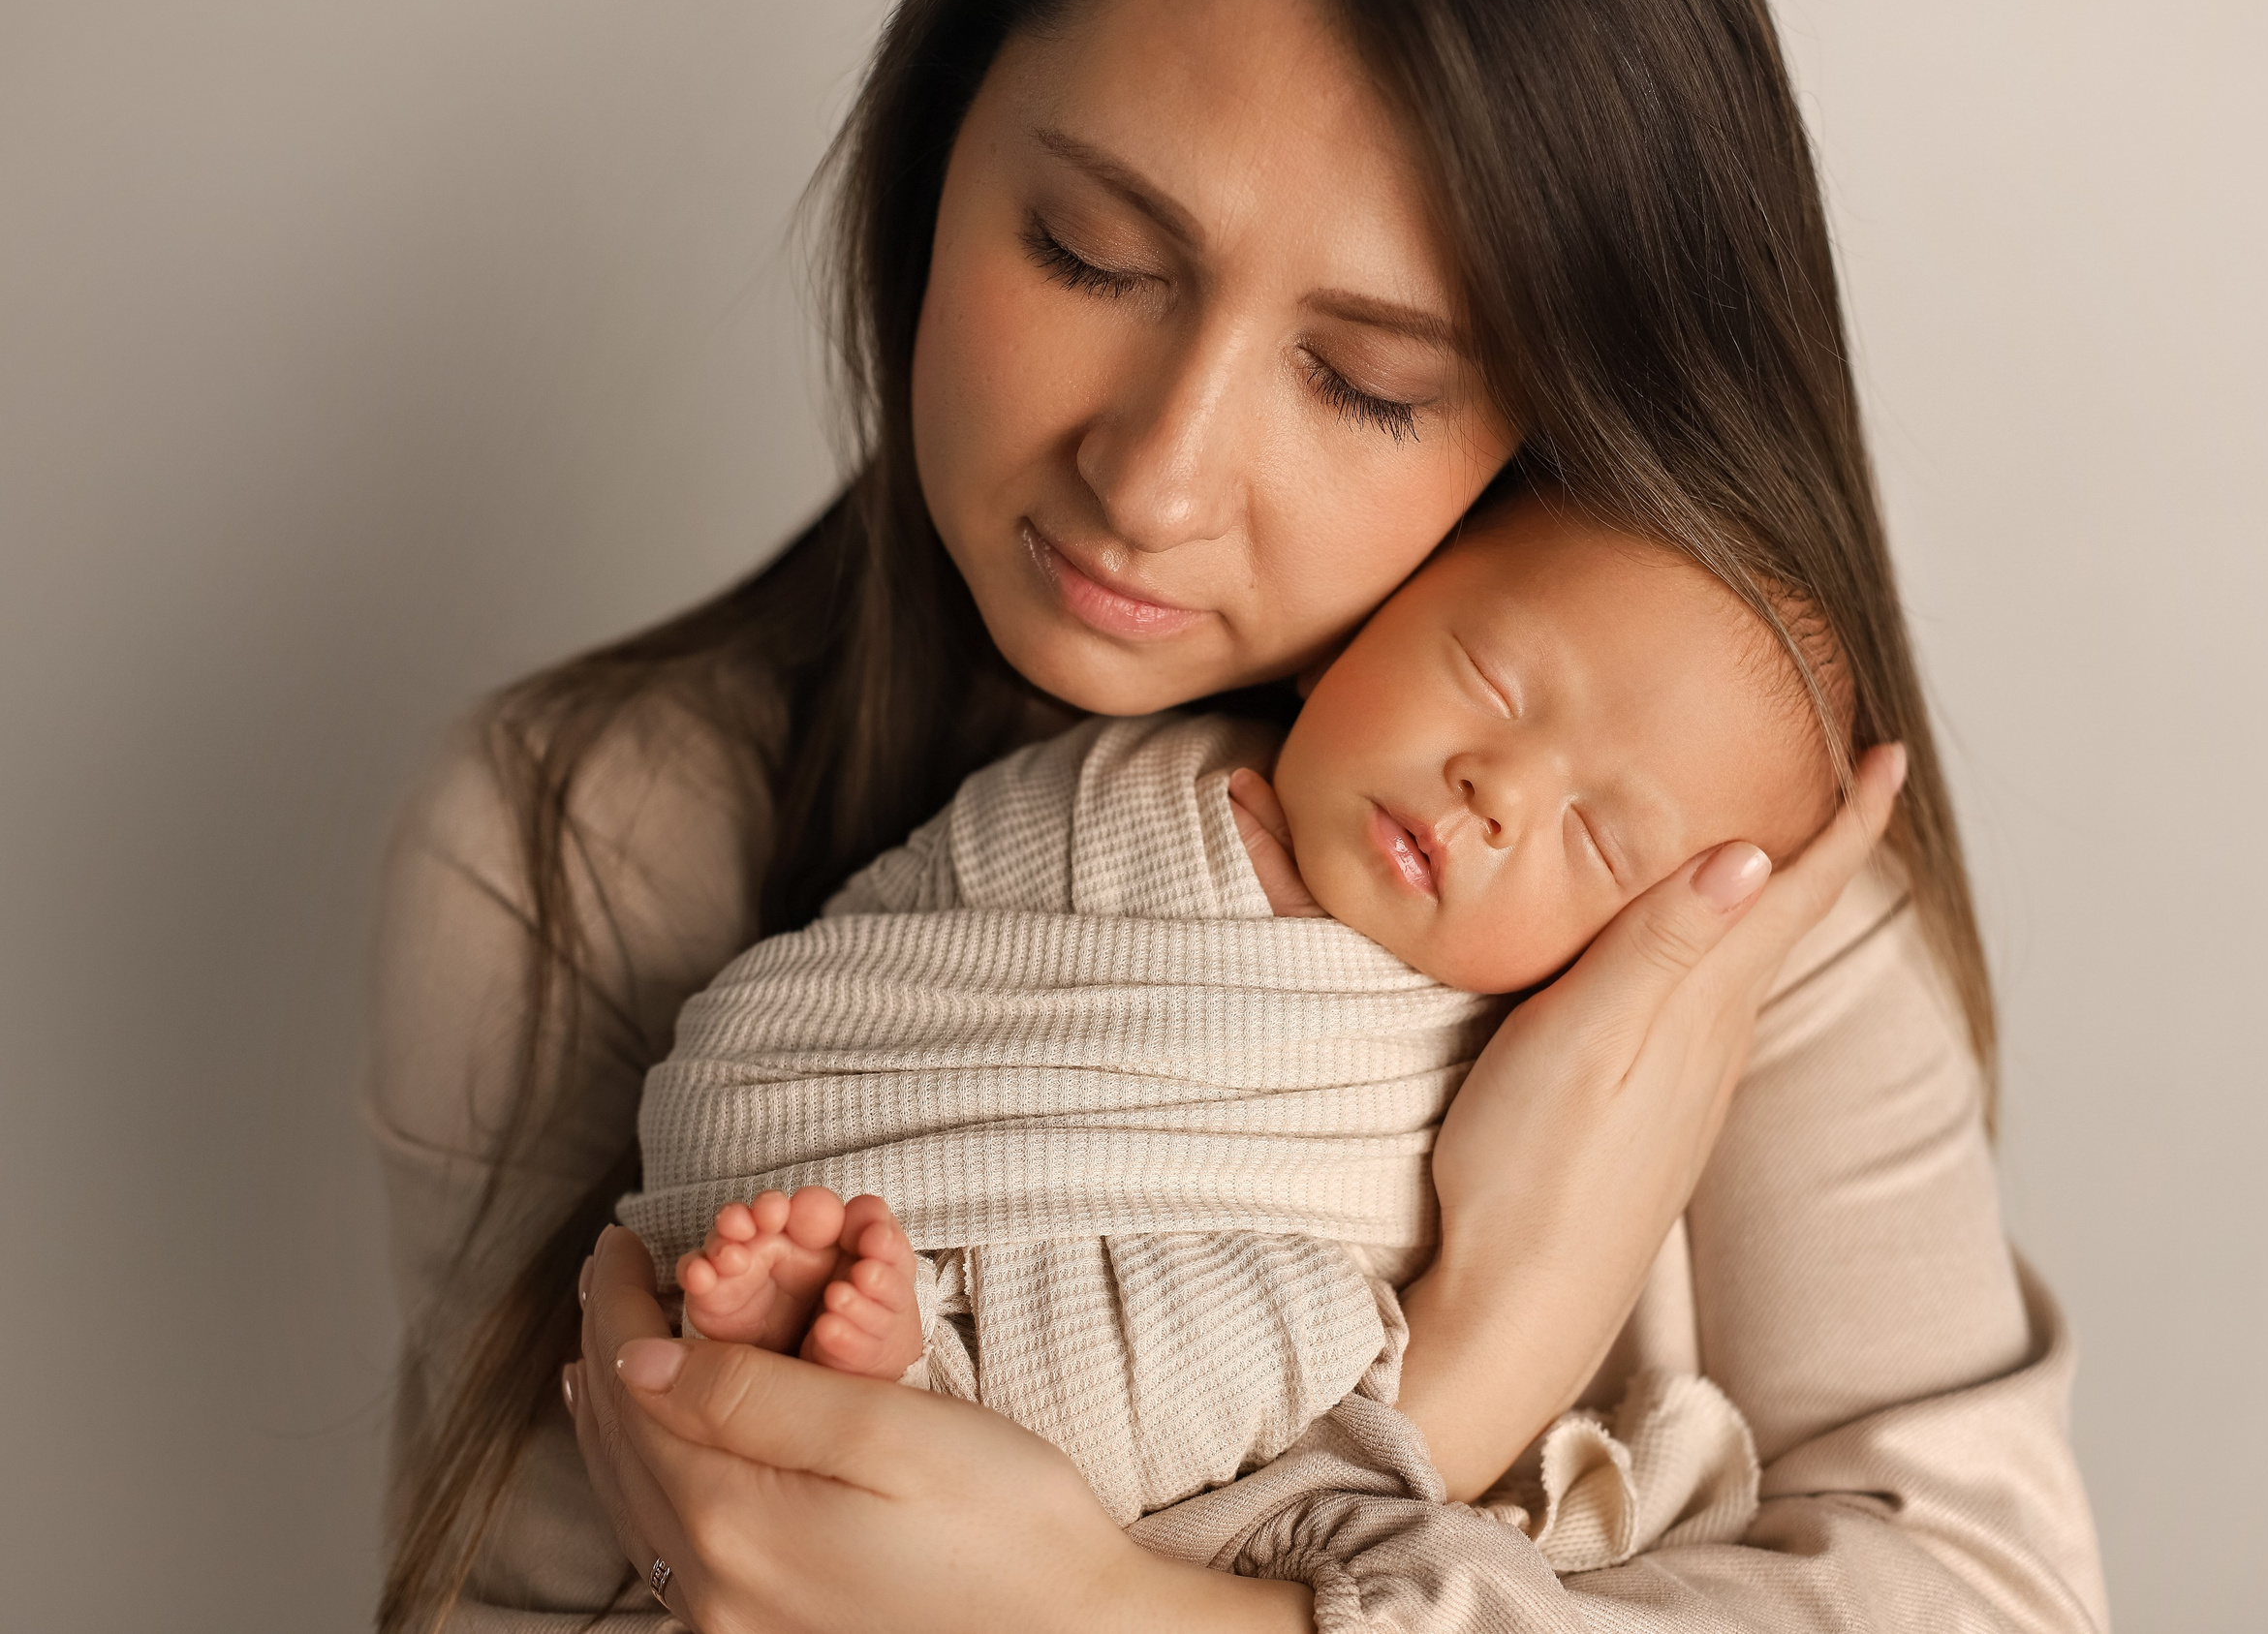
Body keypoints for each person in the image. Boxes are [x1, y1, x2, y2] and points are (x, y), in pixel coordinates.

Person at [371, 0, 2106, 1630]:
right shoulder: (579, 845)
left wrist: (1114, 1610)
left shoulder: (1708, 894)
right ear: (939, 150)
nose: (1156, 476)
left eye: (1369, 381)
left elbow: (1989, 1594)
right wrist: (1484, 1344)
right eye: (1090, 253)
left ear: (1558, 419)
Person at [645, 493, 1854, 1532]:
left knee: (1284, 1328)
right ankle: (857, 1329)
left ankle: (913, 1374)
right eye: (1489, 679)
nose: (1498, 787)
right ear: (1355, 634)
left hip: (1142, 1319)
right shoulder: (1125, 785)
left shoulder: (1473, 1067)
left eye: (1594, 836)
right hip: (814, 1112)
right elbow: (901, 928)